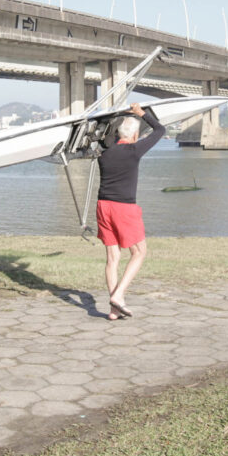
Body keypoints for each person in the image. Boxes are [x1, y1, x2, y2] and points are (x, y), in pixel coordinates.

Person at [95, 102, 165, 320]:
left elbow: (108, 138)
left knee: (112, 257)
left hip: (102, 206)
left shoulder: (104, 154)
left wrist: (119, 116)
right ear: (135, 135)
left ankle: (114, 310)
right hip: (123, 207)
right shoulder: (134, 150)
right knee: (139, 252)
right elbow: (160, 130)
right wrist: (140, 113)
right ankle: (119, 295)